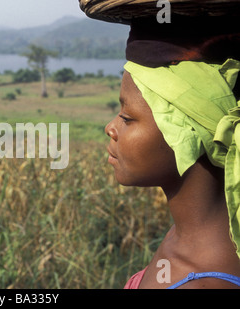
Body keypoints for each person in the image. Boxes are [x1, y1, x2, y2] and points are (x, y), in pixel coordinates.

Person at [79, 0, 240, 288]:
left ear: (190, 131)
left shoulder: (202, 283)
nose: (110, 128)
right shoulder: (185, 236)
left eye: (127, 117)